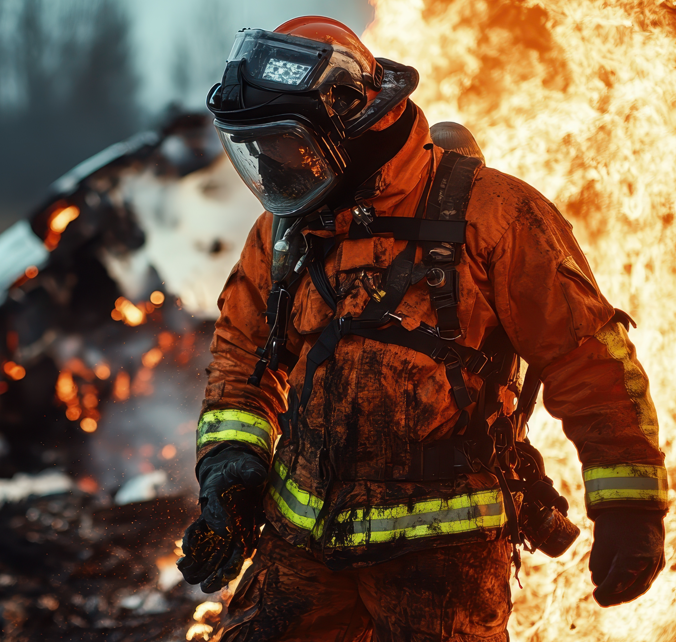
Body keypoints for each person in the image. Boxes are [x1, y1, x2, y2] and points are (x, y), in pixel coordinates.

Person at [178, 16, 667, 640]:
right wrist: (232, 470)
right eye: (258, 148)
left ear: (350, 117)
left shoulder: (495, 216)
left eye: (283, 145)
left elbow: (587, 359)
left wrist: (628, 503)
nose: (272, 170)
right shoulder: (286, 231)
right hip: (303, 547)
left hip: (444, 560)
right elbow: (241, 363)